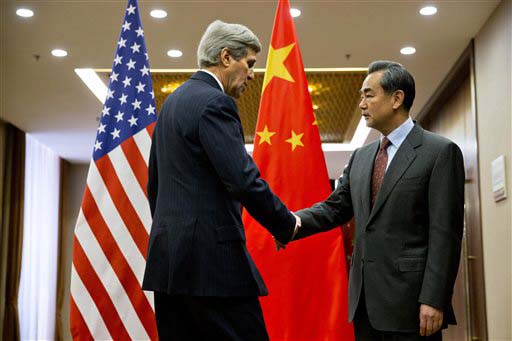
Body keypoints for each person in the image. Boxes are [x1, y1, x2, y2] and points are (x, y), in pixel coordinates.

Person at [142, 20, 299, 340]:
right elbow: (242, 179)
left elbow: (154, 186)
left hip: (169, 263)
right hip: (212, 266)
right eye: (250, 63)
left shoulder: (172, 104)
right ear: (226, 57)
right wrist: (284, 223)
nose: (253, 74)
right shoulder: (216, 103)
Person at [288, 61, 464, 340]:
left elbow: (445, 234)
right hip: (365, 305)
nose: (361, 104)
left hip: (412, 305)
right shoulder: (361, 156)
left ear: (397, 98)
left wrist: (434, 298)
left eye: (369, 95)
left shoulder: (439, 152)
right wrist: (290, 222)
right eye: (360, 96)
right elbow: (335, 208)